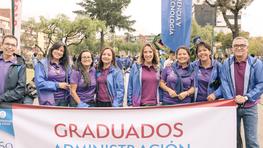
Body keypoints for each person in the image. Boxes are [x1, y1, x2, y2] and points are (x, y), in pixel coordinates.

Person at [221, 36, 263, 148]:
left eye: (242, 45)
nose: (239, 48)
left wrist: (246, 97)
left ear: (247, 48)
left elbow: (261, 83)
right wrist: (231, 100)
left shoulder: (256, 63)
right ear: (232, 48)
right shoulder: (226, 63)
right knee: (234, 139)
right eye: (236, 45)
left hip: (250, 106)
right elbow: (224, 82)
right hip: (232, 107)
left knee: (252, 140)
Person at [34, 42, 71, 106]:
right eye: (56, 49)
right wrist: (57, 85)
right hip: (48, 101)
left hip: (64, 100)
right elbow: (39, 83)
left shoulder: (66, 65)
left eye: (61, 51)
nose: (58, 52)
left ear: (63, 54)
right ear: (52, 50)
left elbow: (70, 79)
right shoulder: (41, 64)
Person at [0, 35, 26, 104]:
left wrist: (1, 98)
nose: (10, 47)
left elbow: (20, 90)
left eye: (13, 45)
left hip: (9, 106)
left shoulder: (20, 65)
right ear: (2, 45)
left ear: (16, 47)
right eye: (7, 44)